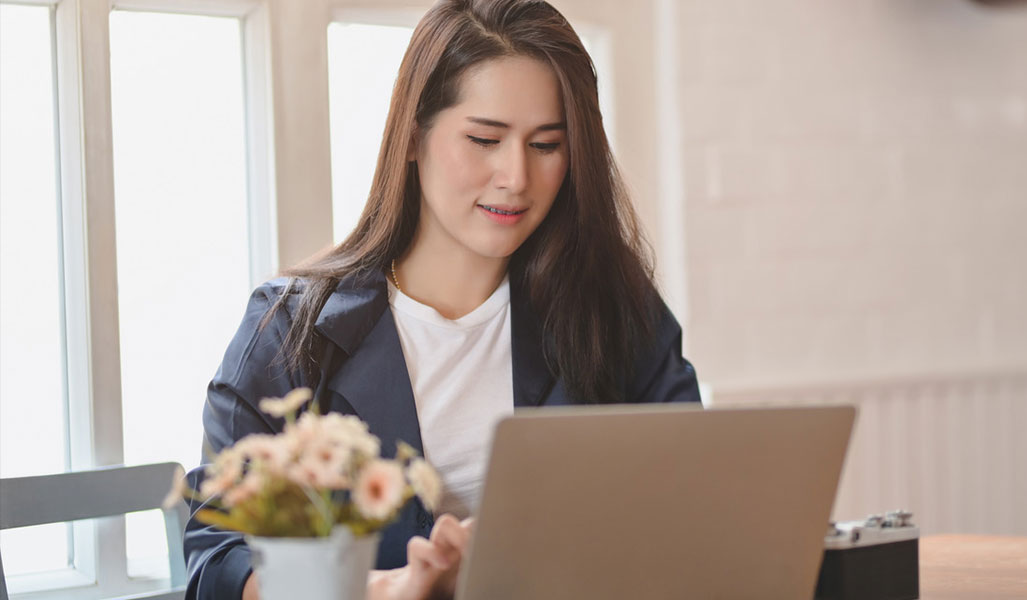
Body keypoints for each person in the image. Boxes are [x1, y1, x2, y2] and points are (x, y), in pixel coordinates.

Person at [182, 1, 702, 598]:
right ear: (411, 138)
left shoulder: (613, 312)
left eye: (546, 145)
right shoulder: (290, 329)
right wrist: (380, 590)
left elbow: (686, 508)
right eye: (484, 139)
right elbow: (218, 562)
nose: (515, 176)